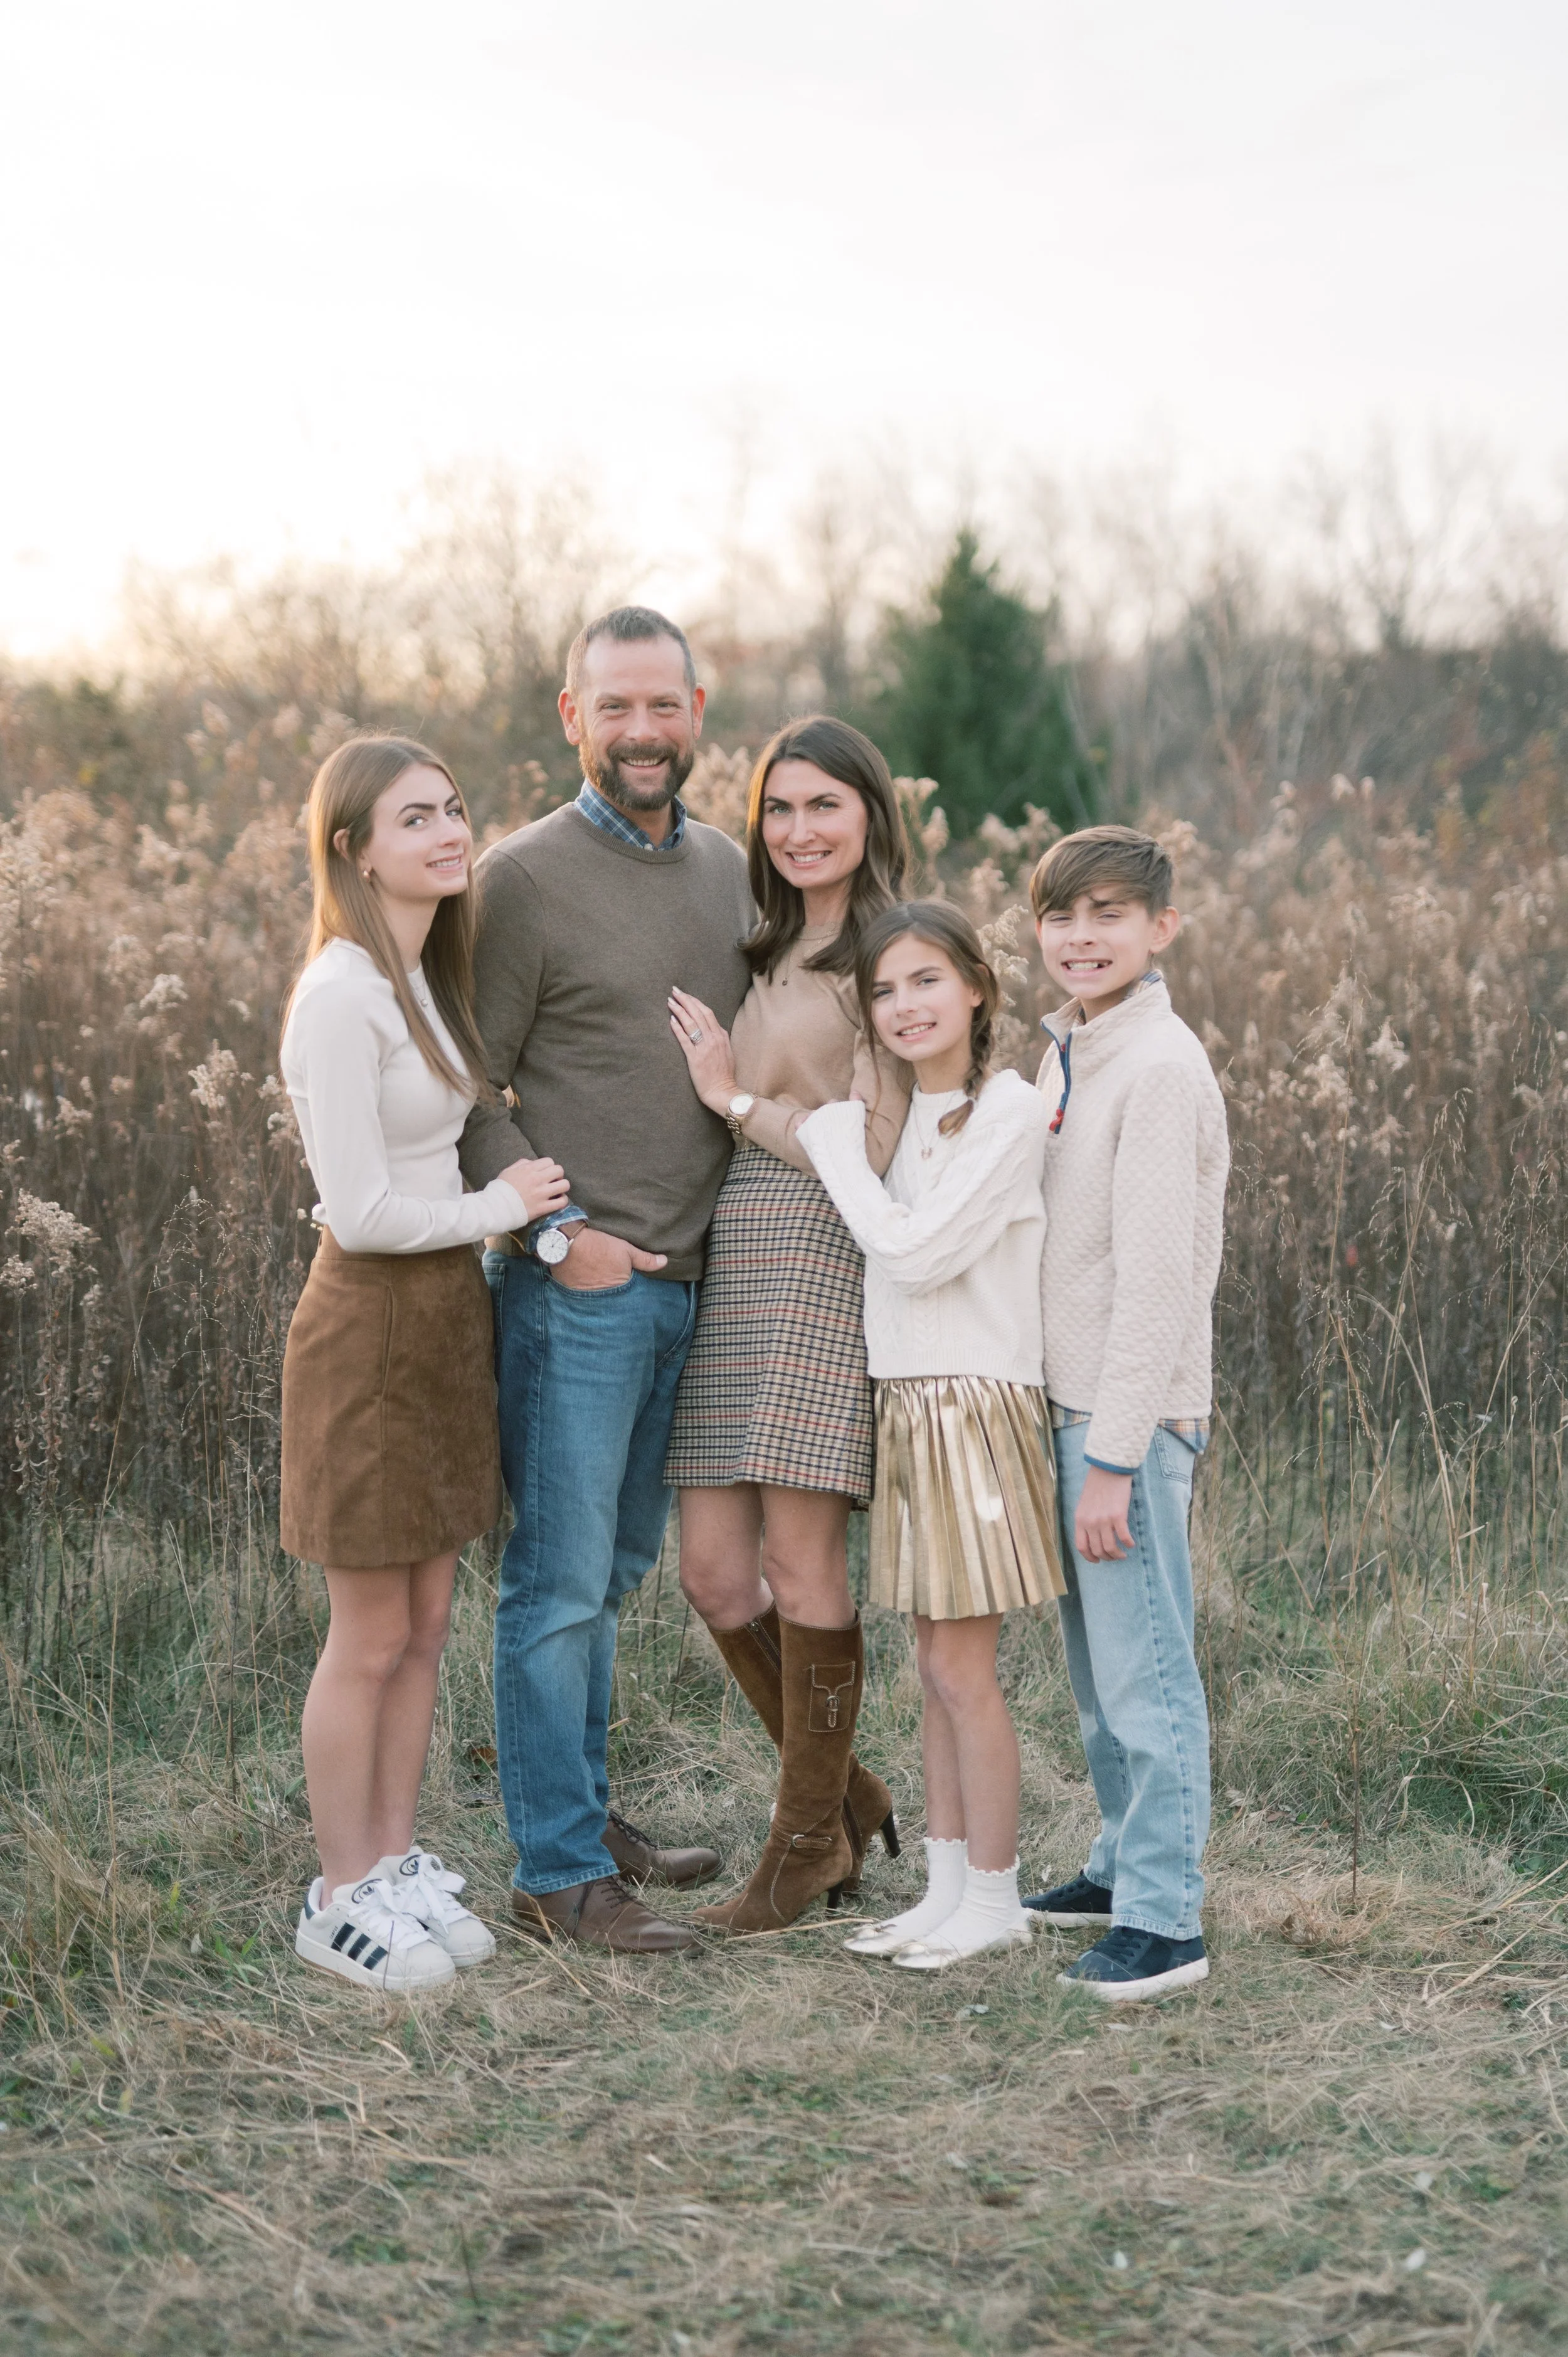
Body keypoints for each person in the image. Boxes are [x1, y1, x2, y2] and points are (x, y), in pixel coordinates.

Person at [458, 607, 755, 1955]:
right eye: (613, 708)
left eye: (663, 705)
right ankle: (560, 1874)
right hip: (579, 1291)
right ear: (572, 717)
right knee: (558, 1582)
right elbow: (470, 1086)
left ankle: (579, 1813)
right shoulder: (519, 878)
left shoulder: (727, 874)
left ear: (699, 709)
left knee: (617, 1570)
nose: (642, 731)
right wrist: (551, 1239)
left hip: (691, 1286)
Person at [281, 735, 569, 1993]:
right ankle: (338, 1892)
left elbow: (439, 1170)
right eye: (416, 819)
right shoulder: (339, 994)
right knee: (368, 1628)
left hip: (446, 1316)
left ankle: (392, 1862)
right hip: (367, 1324)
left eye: (455, 810)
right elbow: (359, 1209)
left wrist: (509, 1215)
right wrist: (499, 1205)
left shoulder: (422, 979)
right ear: (354, 848)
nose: (451, 834)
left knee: (429, 1618)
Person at [660, 716, 912, 1934]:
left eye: (825, 804)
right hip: (734, 1257)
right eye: (779, 808)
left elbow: (868, 1148)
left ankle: (802, 1848)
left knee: (800, 1564)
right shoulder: (765, 944)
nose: (801, 829)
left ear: (870, 812)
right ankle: (849, 1797)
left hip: (820, 1254)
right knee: (713, 1572)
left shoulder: (891, 952)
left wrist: (732, 1099)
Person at [798, 903, 1062, 1969]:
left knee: (966, 1672)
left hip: (975, 1403)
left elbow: (914, 1255)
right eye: (885, 989)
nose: (906, 1005)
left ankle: (995, 1898)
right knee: (929, 1663)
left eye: (927, 981)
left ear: (977, 990)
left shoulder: (1008, 1108)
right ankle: (946, 1886)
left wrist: (830, 1151)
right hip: (908, 1400)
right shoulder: (908, 1114)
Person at [1021, 824, 1228, 2003]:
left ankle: (1164, 1919)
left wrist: (1113, 1455)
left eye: (1109, 914)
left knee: (1149, 1670)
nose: (1081, 936)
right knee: (1101, 1671)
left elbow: (1160, 1281)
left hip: (1126, 1421)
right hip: (1073, 1407)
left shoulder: (1159, 1067)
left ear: (1162, 928)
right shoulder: (1069, 1052)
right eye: (1061, 915)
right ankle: (1116, 1865)